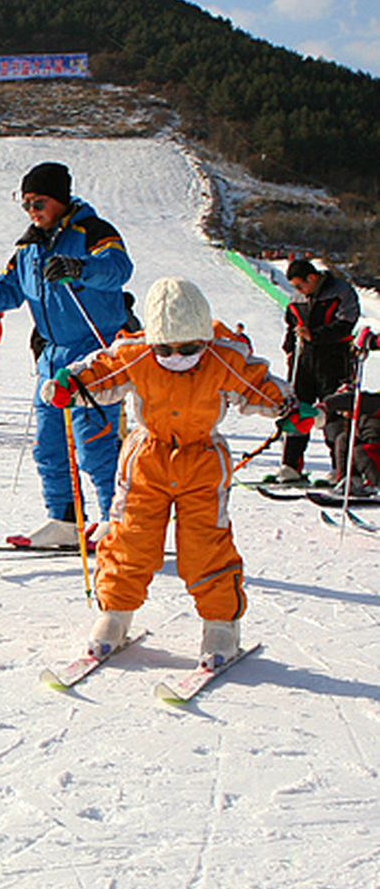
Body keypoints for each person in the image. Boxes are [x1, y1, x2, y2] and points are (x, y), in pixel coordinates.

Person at [45, 278, 291, 669]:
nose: (177, 356)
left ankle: (221, 623)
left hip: (203, 460)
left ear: (204, 340)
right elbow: (100, 372)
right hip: (147, 459)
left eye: (188, 348)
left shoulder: (224, 357)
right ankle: (115, 614)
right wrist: (69, 385)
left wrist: (288, 408)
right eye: (165, 349)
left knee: (204, 543)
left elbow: (258, 386)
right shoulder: (137, 353)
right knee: (130, 538)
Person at [0, 161, 134, 545]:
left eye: (39, 202)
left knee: (93, 446)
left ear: (61, 200)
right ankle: (65, 520)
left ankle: (118, 522)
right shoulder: (28, 247)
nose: (32, 211)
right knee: (49, 446)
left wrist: (79, 267)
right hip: (51, 356)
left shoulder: (93, 232)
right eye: (27, 203)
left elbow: (119, 268)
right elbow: (8, 292)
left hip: (94, 353)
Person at [274, 258, 360, 483]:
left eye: (300, 286)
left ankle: (339, 467)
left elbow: (347, 322)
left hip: (333, 359)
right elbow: (292, 326)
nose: (298, 291)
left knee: (332, 411)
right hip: (304, 361)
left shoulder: (341, 291)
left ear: (312, 278)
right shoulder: (296, 298)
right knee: (298, 409)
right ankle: (291, 465)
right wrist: (290, 350)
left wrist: (317, 335)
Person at [320, 381, 380, 496]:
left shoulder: (372, 404)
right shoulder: (360, 420)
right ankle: (350, 481)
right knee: (345, 439)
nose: (343, 414)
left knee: (363, 451)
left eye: (343, 410)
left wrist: (328, 404)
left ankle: (376, 484)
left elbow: (357, 399)